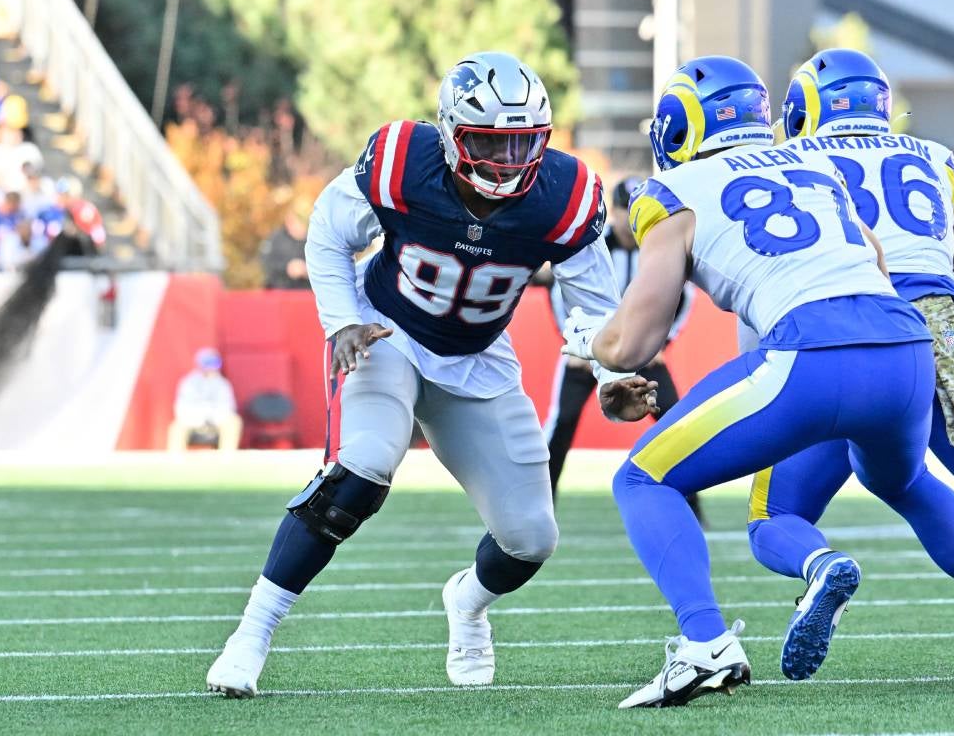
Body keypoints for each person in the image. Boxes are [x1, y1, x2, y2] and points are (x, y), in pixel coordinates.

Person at [205, 51, 656, 698]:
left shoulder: (566, 195)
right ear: (450, 134)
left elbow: (595, 308)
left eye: (524, 143)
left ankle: (467, 601)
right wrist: (341, 323)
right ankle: (250, 634)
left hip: (476, 357)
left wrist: (609, 365)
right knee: (361, 467)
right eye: (490, 144)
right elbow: (329, 235)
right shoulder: (402, 161)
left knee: (530, 538)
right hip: (387, 332)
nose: (508, 161)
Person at [562, 55, 954, 709]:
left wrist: (593, 345)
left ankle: (708, 642)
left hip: (812, 350)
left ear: (678, 125)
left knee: (645, 478)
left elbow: (636, 339)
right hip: (911, 345)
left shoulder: (670, 192)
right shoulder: (816, 168)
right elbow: (879, 259)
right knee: (907, 482)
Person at [741, 49, 954, 681]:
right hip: (939, 331)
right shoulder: (933, 157)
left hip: (844, 331)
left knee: (776, 515)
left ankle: (821, 565)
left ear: (806, 109)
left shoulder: (795, 162)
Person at [543, 175, 699, 514]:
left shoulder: (655, 245)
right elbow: (562, 294)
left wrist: (662, 342)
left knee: (674, 421)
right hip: (590, 352)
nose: (629, 221)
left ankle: (691, 505)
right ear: (611, 211)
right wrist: (579, 345)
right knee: (562, 421)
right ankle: (540, 505)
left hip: (640, 353)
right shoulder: (595, 244)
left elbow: (683, 296)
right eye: (622, 210)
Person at [167, 348, 243, 451]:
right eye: (208, 364)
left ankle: (226, 458)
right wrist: (200, 419)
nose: (211, 368)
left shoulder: (222, 383)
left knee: (234, 422)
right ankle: (176, 461)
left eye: (214, 364)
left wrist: (212, 419)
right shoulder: (189, 382)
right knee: (176, 428)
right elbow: (182, 407)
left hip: (217, 419)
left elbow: (228, 406)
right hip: (193, 419)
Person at [259, 199, 310, 289]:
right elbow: (266, 262)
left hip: (306, 293)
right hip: (279, 292)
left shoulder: (314, 240)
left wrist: (306, 270)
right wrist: (287, 267)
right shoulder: (276, 238)